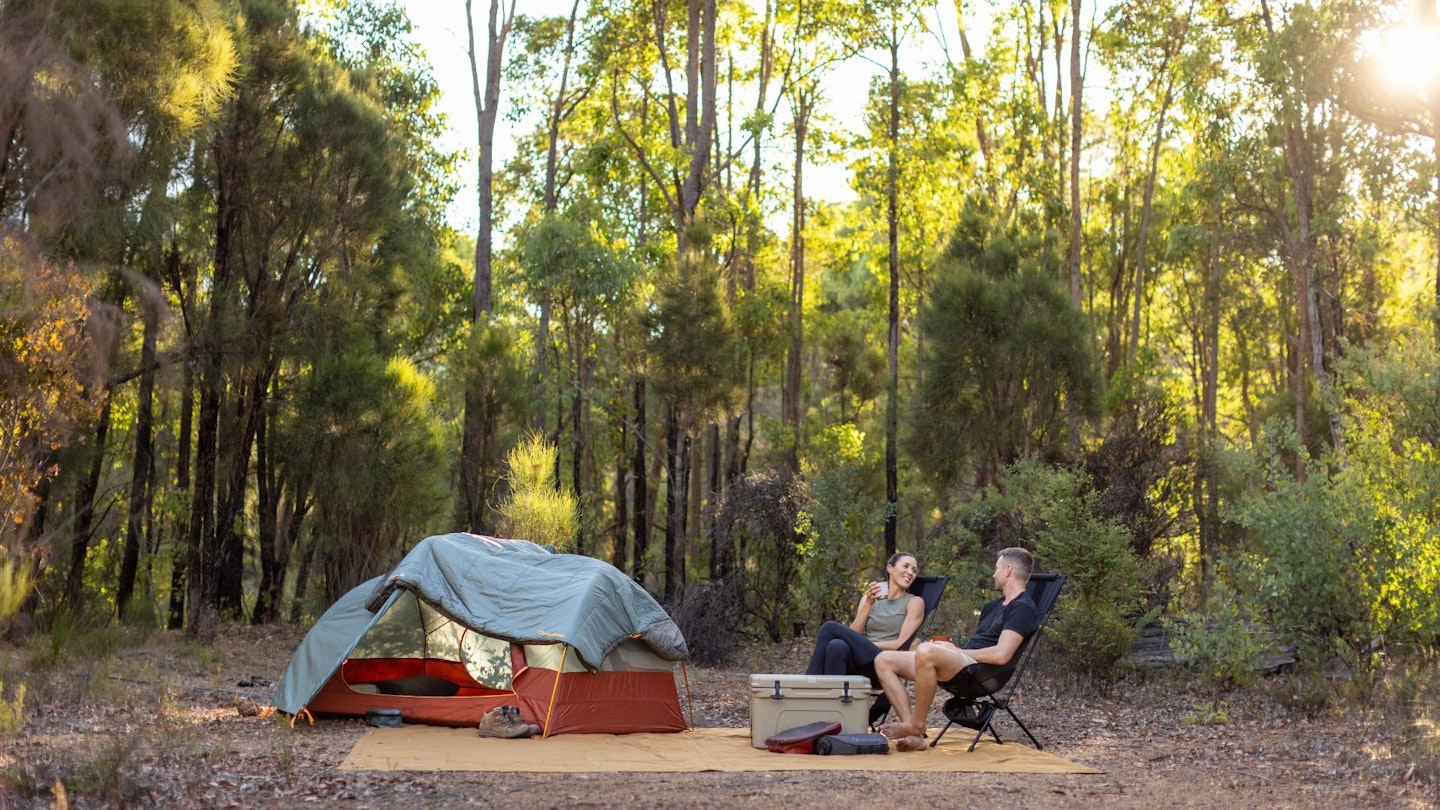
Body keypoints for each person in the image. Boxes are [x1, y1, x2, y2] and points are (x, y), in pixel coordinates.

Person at [874, 547, 1039, 751]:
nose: (993, 574)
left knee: (926, 650)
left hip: (981, 672)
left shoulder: (1022, 608)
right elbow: (978, 646)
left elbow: (1001, 655)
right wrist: (950, 649)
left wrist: (956, 651)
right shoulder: (993, 606)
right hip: (964, 663)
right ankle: (914, 733)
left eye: (996, 568)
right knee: (884, 660)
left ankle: (917, 724)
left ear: (1007, 570)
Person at [804, 552, 925, 683]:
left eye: (914, 570)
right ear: (890, 568)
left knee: (829, 627)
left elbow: (900, 644)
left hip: (884, 663)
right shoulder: (869, 599)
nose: (910, 572)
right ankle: (834, 700)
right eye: (905, 566)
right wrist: (868, 604)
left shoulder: (914, 602)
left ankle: (807, 685)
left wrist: (864, 644)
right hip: (858, 663)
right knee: (836, 645)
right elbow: (854, 634)